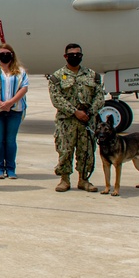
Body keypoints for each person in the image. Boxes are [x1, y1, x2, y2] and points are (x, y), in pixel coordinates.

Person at [49, 43, 104, 192]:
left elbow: (99, 96)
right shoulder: (57, 77)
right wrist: (75, 112)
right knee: (65, 151)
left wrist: (89, 112)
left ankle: (84, 180)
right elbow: (56, 99)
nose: (75, 57)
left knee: (86, 151)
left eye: (78, 54)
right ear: (65, 57)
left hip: (87, 121)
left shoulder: (92, 75)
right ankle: (64, 180)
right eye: (72, 54)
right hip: (67, 122)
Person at [0, 43, 29, 179]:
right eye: (2, 53)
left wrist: (10, 103)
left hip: (15, 110)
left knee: (10, 140)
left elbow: (24, 88)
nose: (4, 56)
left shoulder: (20, 71)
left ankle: (11, 168)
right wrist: (0, 103)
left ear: (12, 55)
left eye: (7, 53)